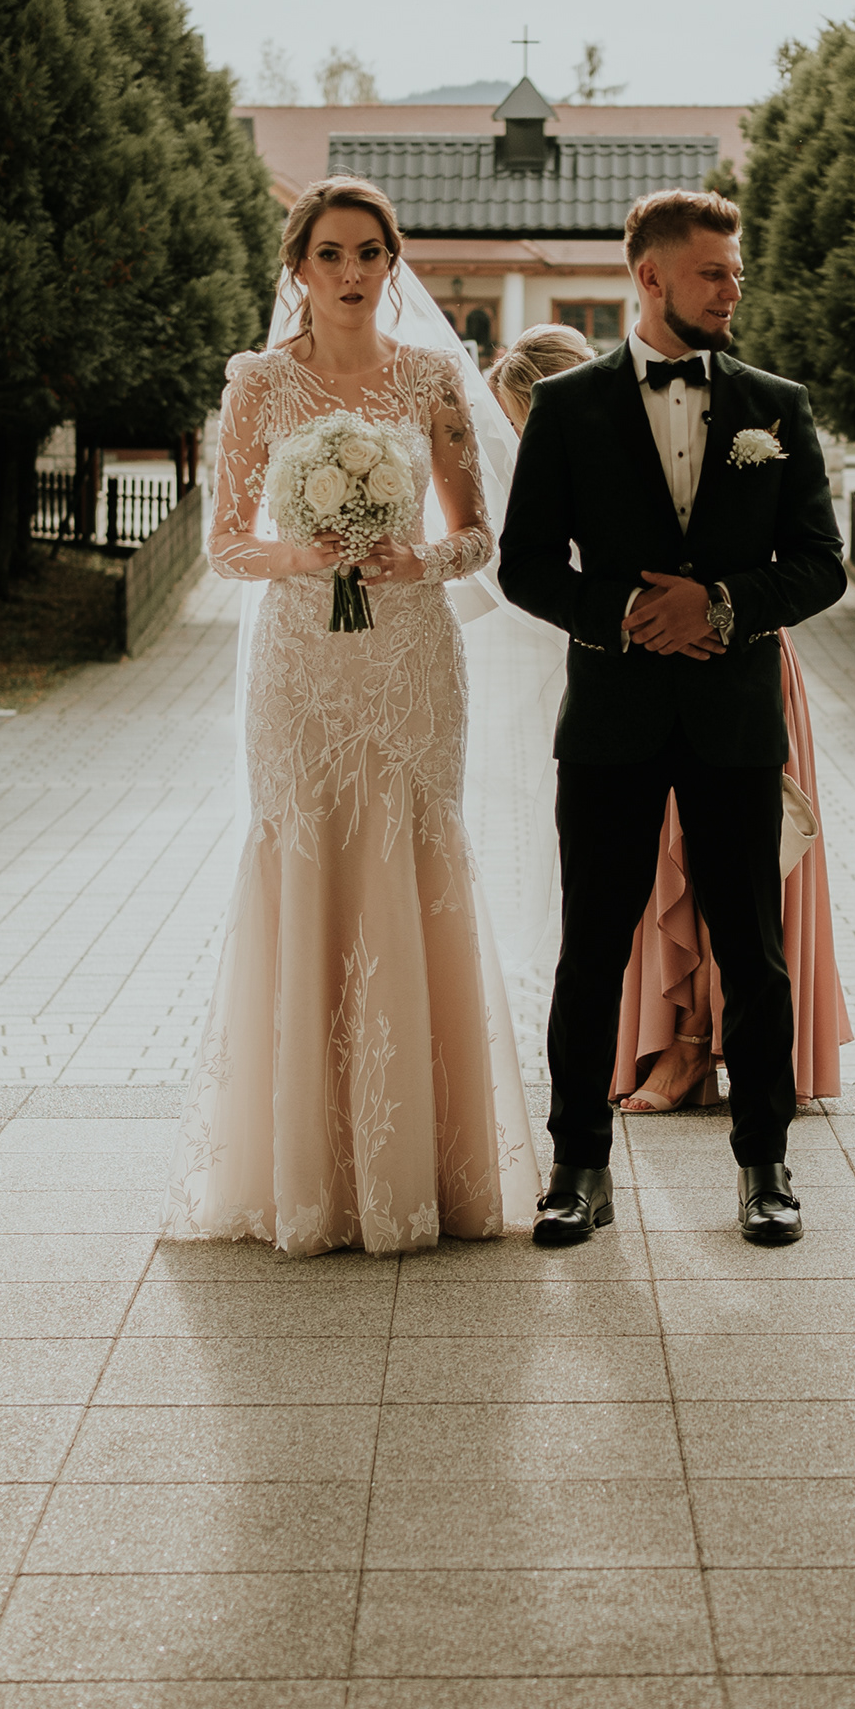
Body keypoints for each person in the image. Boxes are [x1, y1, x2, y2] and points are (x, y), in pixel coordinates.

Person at [173, 177, 529, 1258]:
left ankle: (427, 1169)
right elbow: (224, 543)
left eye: (369, 252)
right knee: (307, 856)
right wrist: (302, 553)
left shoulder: (431, 378)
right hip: (302, 668)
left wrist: (417, 557)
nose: (351, 272)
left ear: (390, 262)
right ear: (298, 267)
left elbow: (478, 535)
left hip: (410, 658)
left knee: (413, 856)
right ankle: (309, 1175)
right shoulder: (260, 383)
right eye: (329, 253)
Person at [497, 193, 848, 1249]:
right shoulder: (567, 408)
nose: (733, 289)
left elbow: (822, 565)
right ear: (649, 278)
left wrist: (722, 606)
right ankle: (577, 1168)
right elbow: (524, 565)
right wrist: (627, 617)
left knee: (755, 952)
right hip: (612, 717)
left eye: (736, 272)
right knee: (591, 951)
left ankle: (765, 1166)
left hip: (734, 719)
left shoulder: (777, 405)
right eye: (713, 273)